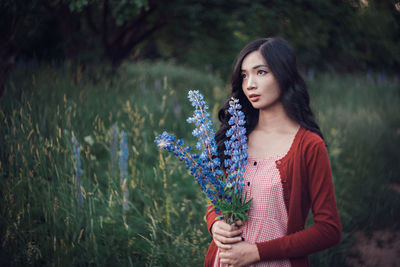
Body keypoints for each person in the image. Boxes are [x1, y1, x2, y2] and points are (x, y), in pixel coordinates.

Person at [205, 37, 342, 267]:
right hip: (224, 261)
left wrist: (257, 252)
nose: (250, 84)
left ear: (283, 73)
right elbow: (216, 200)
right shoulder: (236, 136)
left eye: (261, 72)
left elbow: (329, 230)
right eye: (245, 75)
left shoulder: (308, 145)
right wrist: (215, 224)